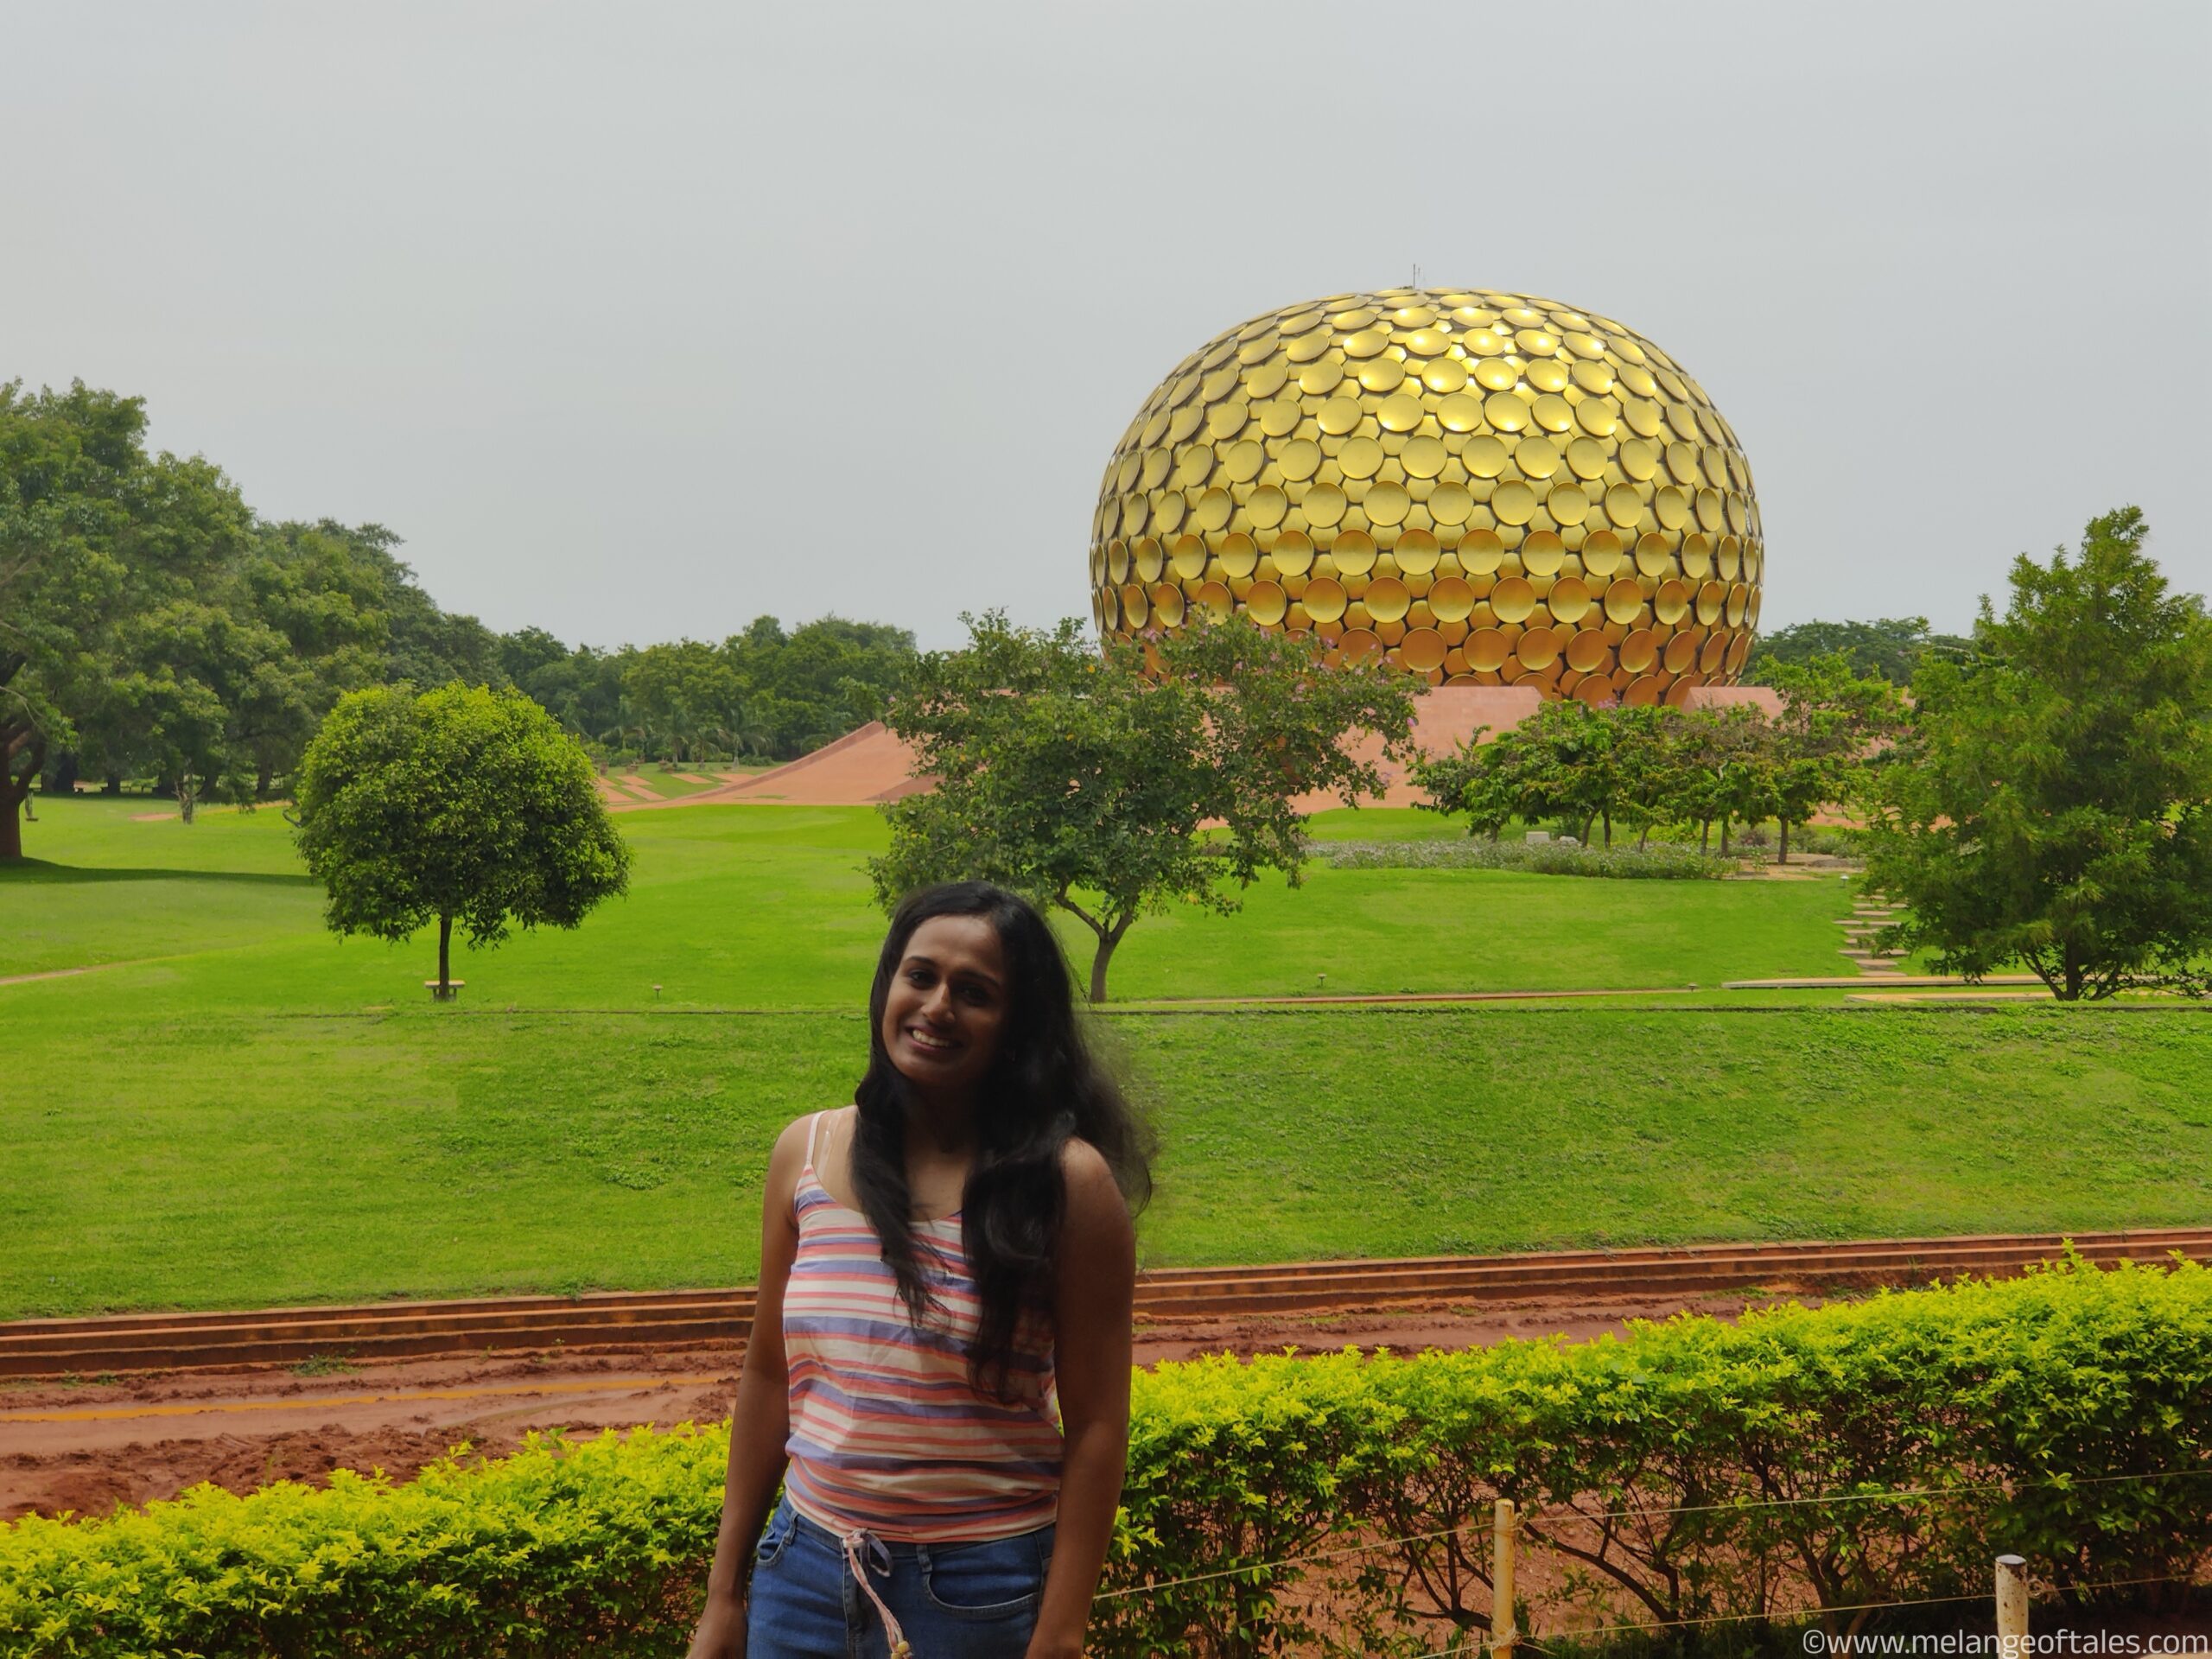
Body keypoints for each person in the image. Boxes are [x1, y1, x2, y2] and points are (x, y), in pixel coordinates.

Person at [687, 880, 1154, 1659]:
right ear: (887, 986)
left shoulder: (1068, 1186)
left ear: (1016, 1028)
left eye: (974, 993)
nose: (937, 1006)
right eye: (920, 976)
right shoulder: (804, 1155)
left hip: (981, 1590)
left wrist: (1061, 1633)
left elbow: (1099, 1426)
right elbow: (770, 1378)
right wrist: (724, 1595)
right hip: (801, 1574)